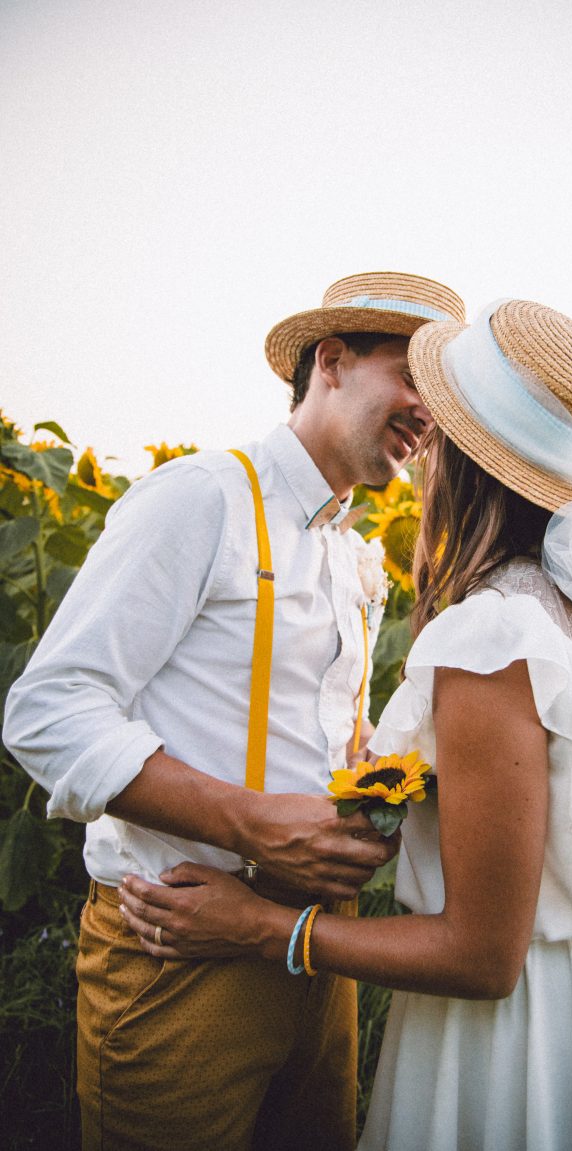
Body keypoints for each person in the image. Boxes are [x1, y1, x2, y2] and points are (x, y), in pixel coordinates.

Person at [116, 298, 572, 1150]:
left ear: (464, 457)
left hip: (508, 1045)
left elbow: (482, 956)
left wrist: (260, 924)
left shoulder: (493, 635)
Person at [2, 270, 467, 1151]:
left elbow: (308, 727)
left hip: (317, 945)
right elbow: (49, 709)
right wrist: (252, 822)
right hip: (180, 950)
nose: (427, 413)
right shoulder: (202, 497)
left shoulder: (348, 550)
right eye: (412, 376)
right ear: (330, 361)